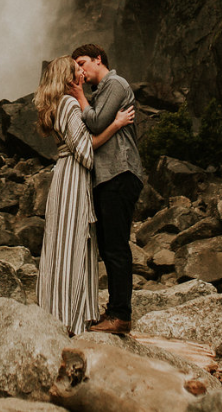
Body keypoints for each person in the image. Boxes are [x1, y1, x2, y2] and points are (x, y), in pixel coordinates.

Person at [35, 55, 135, 336]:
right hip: (73, 177)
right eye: (77, 69)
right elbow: (85, 149)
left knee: (61, 244)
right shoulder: (68, 104)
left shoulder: (58, 105)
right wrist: (116, 124)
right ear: (69, 79)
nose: (82, 72)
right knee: (72, 245)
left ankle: (57, 310)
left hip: (63, 175)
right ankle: (70, 318)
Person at [71, 42, 145, 335]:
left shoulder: (115, 83)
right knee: (108, 245)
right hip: (108, 175)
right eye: (76, 66)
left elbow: (97, 122)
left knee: (115, 246)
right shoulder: (100, 93)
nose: (80, 70)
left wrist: (78, 96)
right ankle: (115, 311)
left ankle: (120, 316)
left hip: (120, 172)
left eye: (83, 62)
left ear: (98, 59)